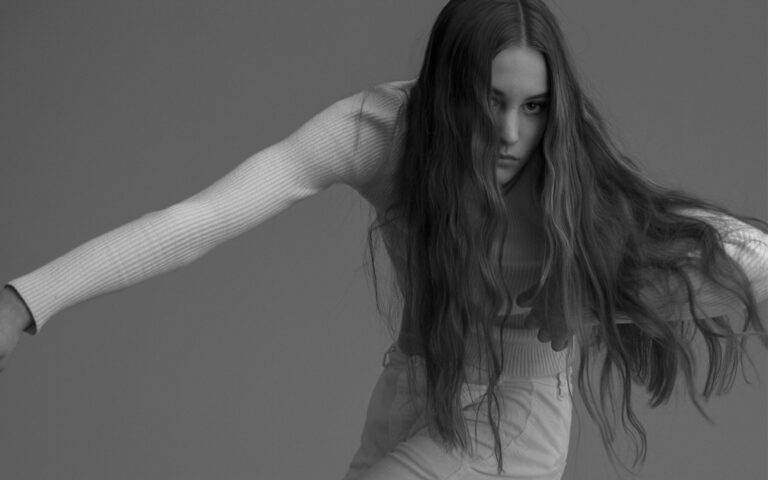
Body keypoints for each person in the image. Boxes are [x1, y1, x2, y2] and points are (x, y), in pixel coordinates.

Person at [0, 0, 766, 478]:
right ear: (447, 90)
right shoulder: (381, 136)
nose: (510, 133)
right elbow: (202, 219)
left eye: (533, 107)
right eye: (490, 100)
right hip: (410, 390)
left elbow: (733, 252)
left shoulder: (571, 179)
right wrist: (24, 302)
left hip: (515, 417)